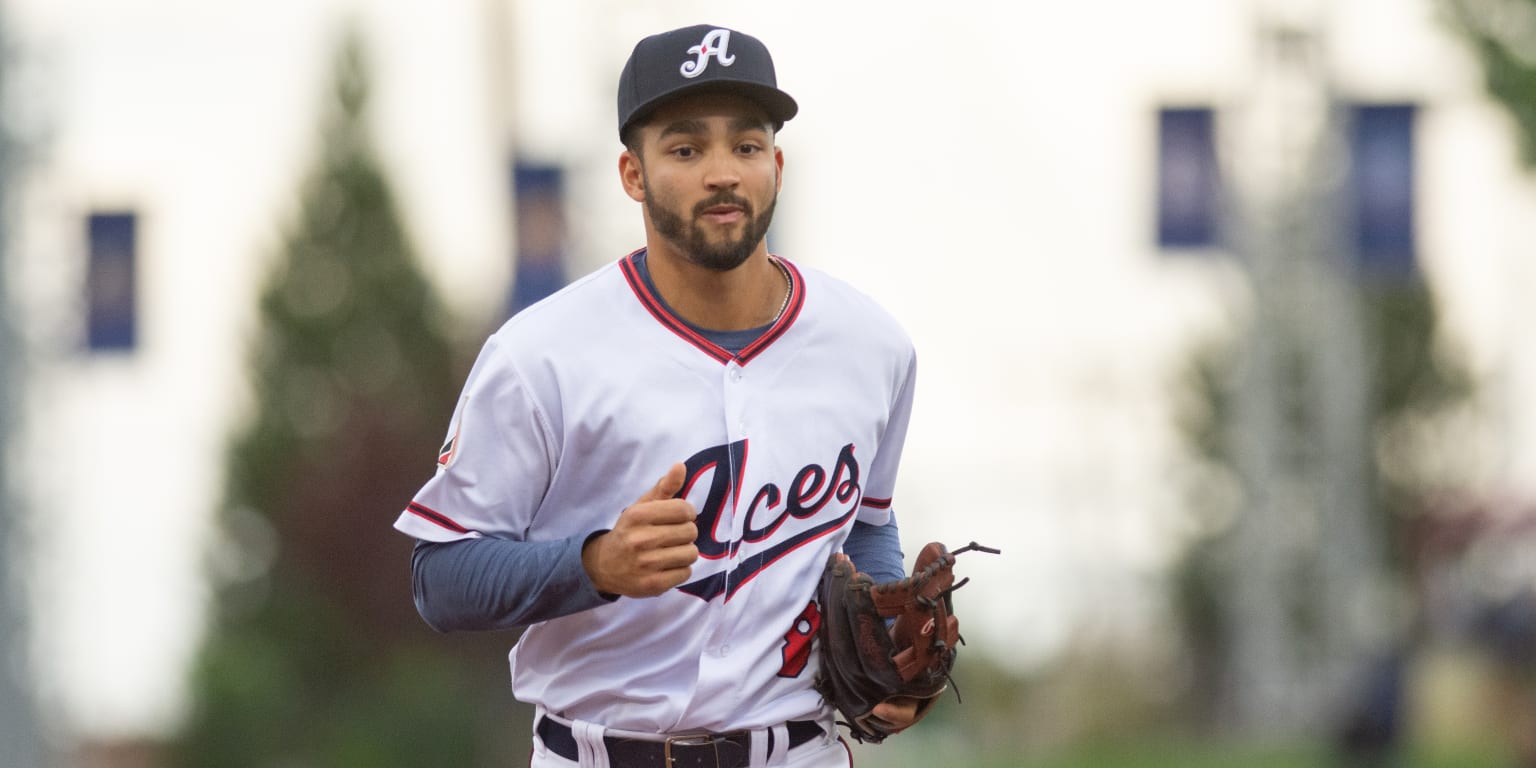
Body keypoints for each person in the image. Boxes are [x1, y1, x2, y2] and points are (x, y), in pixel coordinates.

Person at [395, 23, 922, 768]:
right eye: (685, 148)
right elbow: (439, 580)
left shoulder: (871, 345)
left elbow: (866, 524)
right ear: (632, 174)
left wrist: (891, 641)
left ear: (776, 163)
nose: (722, 173)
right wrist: (595, 564)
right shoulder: (539, 354)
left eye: (745, 146)